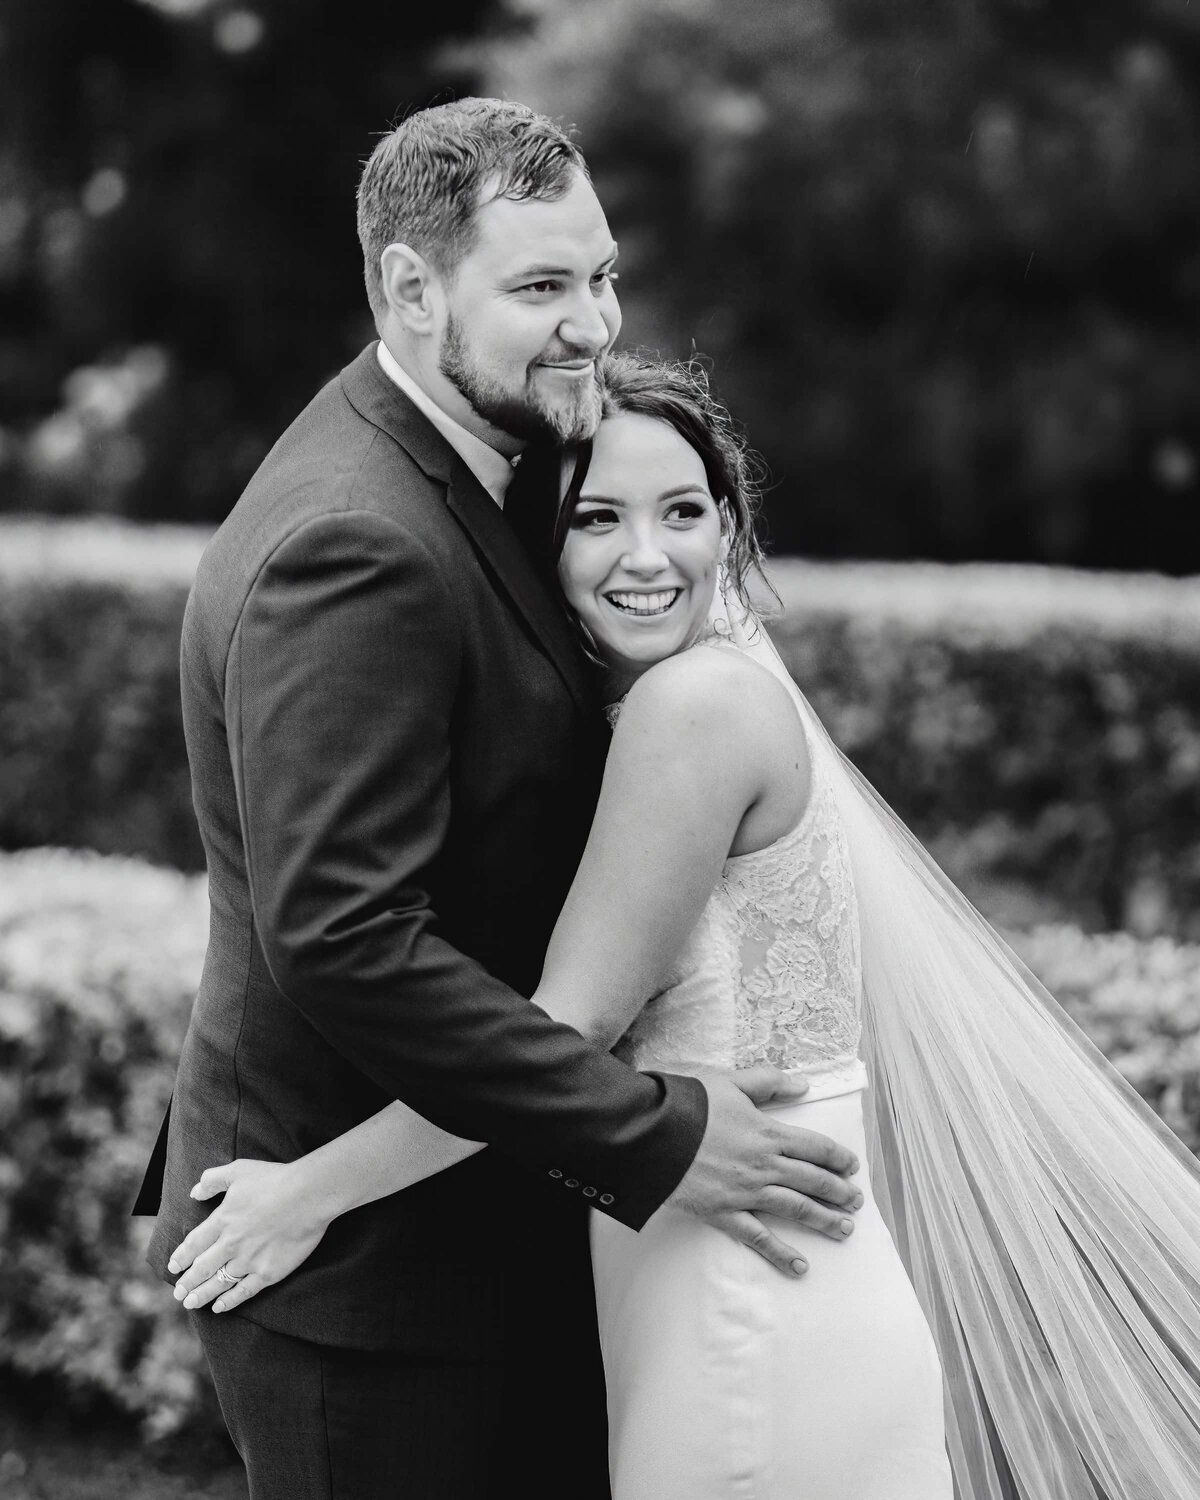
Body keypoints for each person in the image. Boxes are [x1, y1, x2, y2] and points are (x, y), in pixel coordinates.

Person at [171, 353, 1200, 1500]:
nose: (648, 556)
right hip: (703, 1262)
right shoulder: (654, 706)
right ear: (537, 548)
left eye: (683, 512)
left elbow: (564, 1029)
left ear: (730, 526)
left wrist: (310, 1190)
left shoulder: (690, 711)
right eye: (597, 518)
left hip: (745, 1292)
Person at [134, 100, 863, 1500]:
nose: (594, 321)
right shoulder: (356, 538)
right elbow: (348, 940)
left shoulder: (498, 467)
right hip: (377, 1298)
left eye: (599, 274)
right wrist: (648, 1132)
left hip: (481, 1237)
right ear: (410, 291)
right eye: (540, 286)